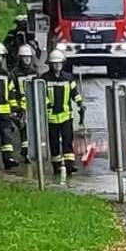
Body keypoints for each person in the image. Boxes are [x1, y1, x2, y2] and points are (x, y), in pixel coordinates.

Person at [45, 49, 81, 180]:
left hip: (66, 116)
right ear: (50, 64)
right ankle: (56, 166)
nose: (57, 66)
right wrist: (48, 104)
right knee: (54, 143)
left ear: (62, 64)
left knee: (67, 141)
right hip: (52, 118)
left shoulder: (69, 78)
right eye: (54, 63)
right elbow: (41, 95)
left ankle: (70, 165)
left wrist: (80, 103)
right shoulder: (44, 79)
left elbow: (74, 93)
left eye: (59, 63)